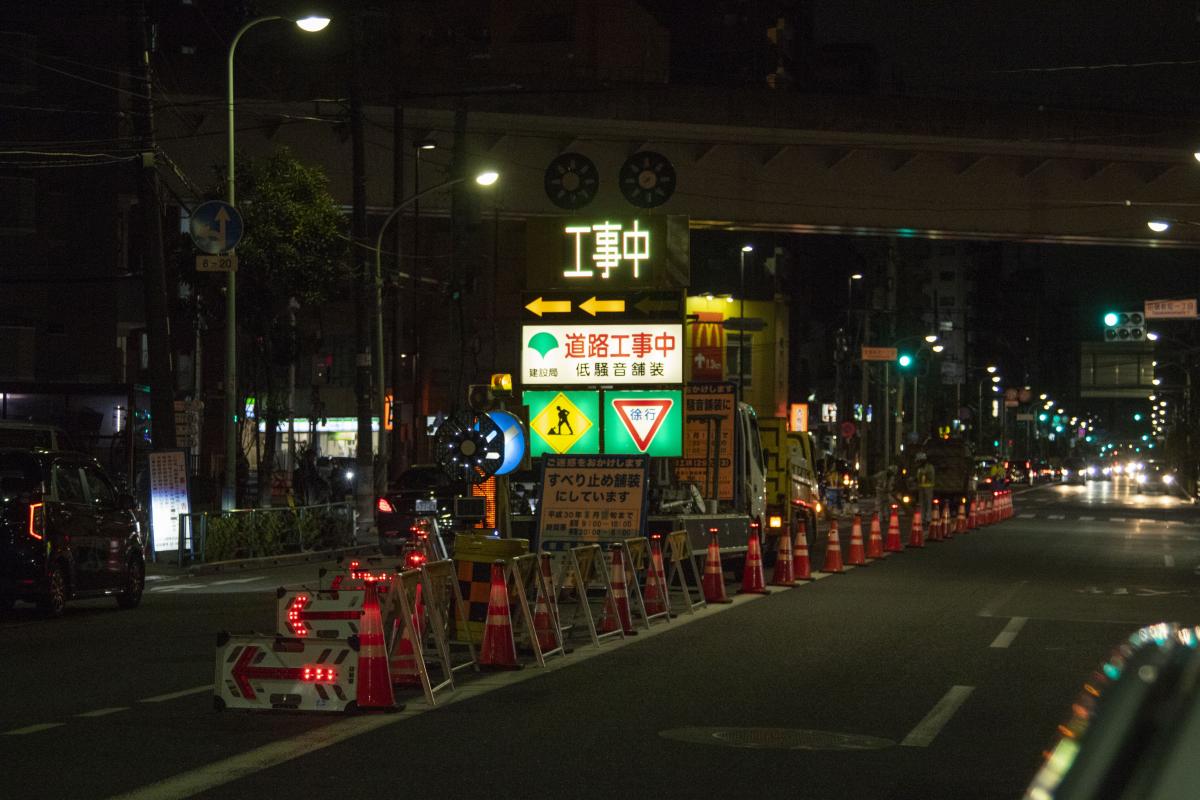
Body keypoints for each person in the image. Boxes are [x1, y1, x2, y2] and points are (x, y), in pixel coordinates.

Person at [915, 452, 935, 527]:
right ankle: (922, 519)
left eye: (919, 461)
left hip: (928, 487)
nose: (918, 463)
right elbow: (918, 478)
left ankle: (928, 519)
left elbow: (928, 475)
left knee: (928, 503)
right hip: (921, 488)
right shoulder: (920, 468)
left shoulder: (930, 467)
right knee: (921, 504)